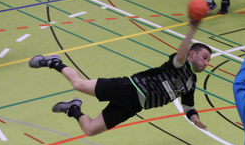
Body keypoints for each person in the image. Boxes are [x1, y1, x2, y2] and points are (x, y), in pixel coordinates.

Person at [29, 20, 210, 136]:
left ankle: (73, 108)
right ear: (192, 54)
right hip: (128, 88)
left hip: (133, 106)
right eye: (204, 58)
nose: (206, 63)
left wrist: (195, 119)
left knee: (90, 130)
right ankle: (54, 62)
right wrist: (192, 29)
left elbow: (188, 107)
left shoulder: (191, 83)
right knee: (78, 84)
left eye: (208, 60)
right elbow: (180, 55)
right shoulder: (179, 64)